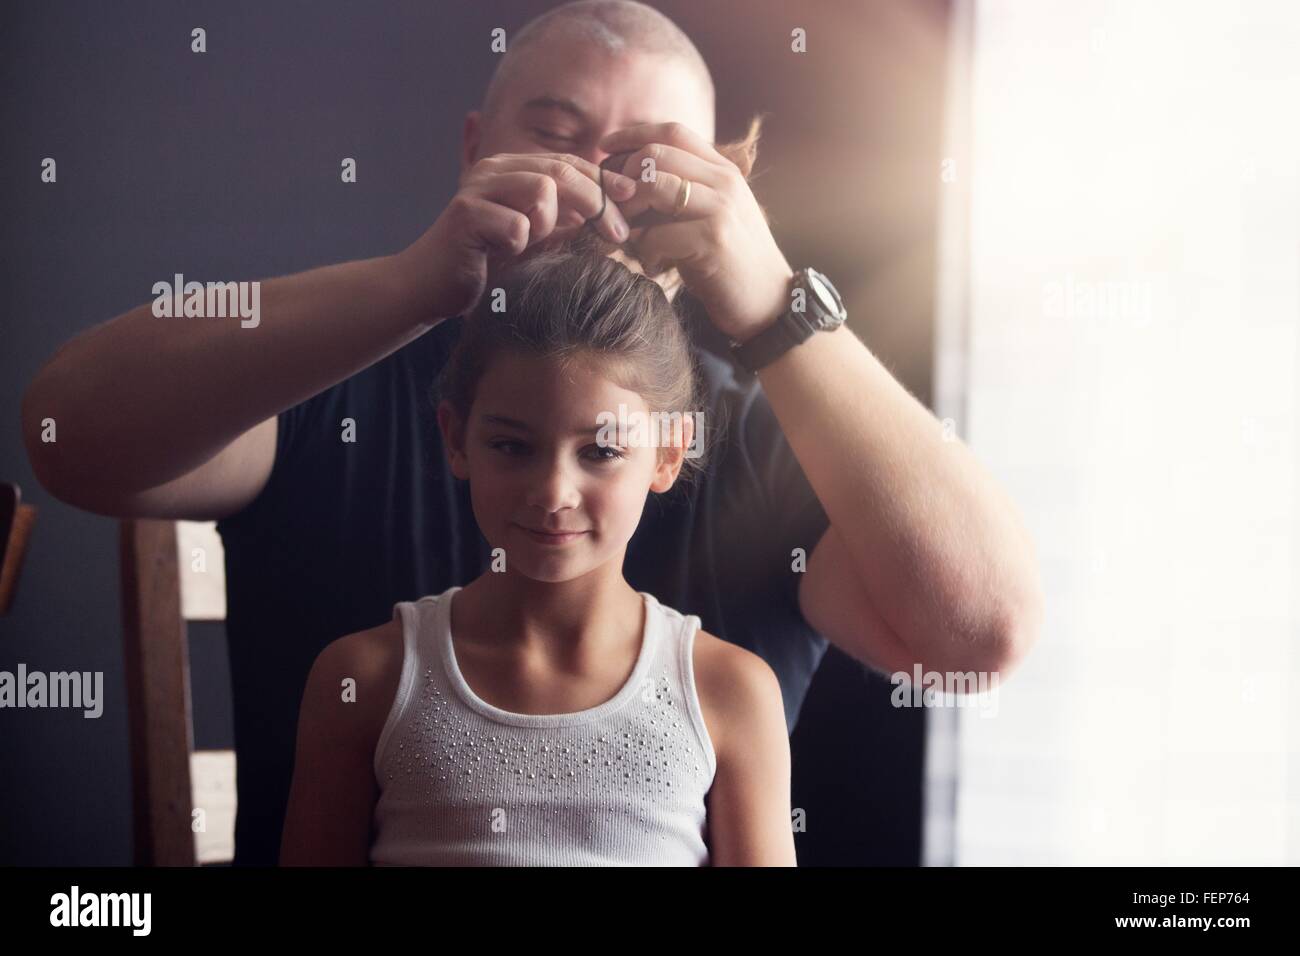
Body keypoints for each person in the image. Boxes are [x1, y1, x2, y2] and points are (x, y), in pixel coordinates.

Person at [21, 0, 1043, 867]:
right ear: (474, 149)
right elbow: (68, 436)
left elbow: (978, 631)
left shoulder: (770, 447)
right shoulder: (344, 384)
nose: (598, 187)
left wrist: (778, 302)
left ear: (728, 177)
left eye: (649, 156)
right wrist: (414, 281)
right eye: (553, 134)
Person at [280, 236, 795, 865]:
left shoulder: (728, 693)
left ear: (667, 452)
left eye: (600, 452)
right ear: (457, 438)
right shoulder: (367, 681)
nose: (552, 493)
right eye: (512, 446)